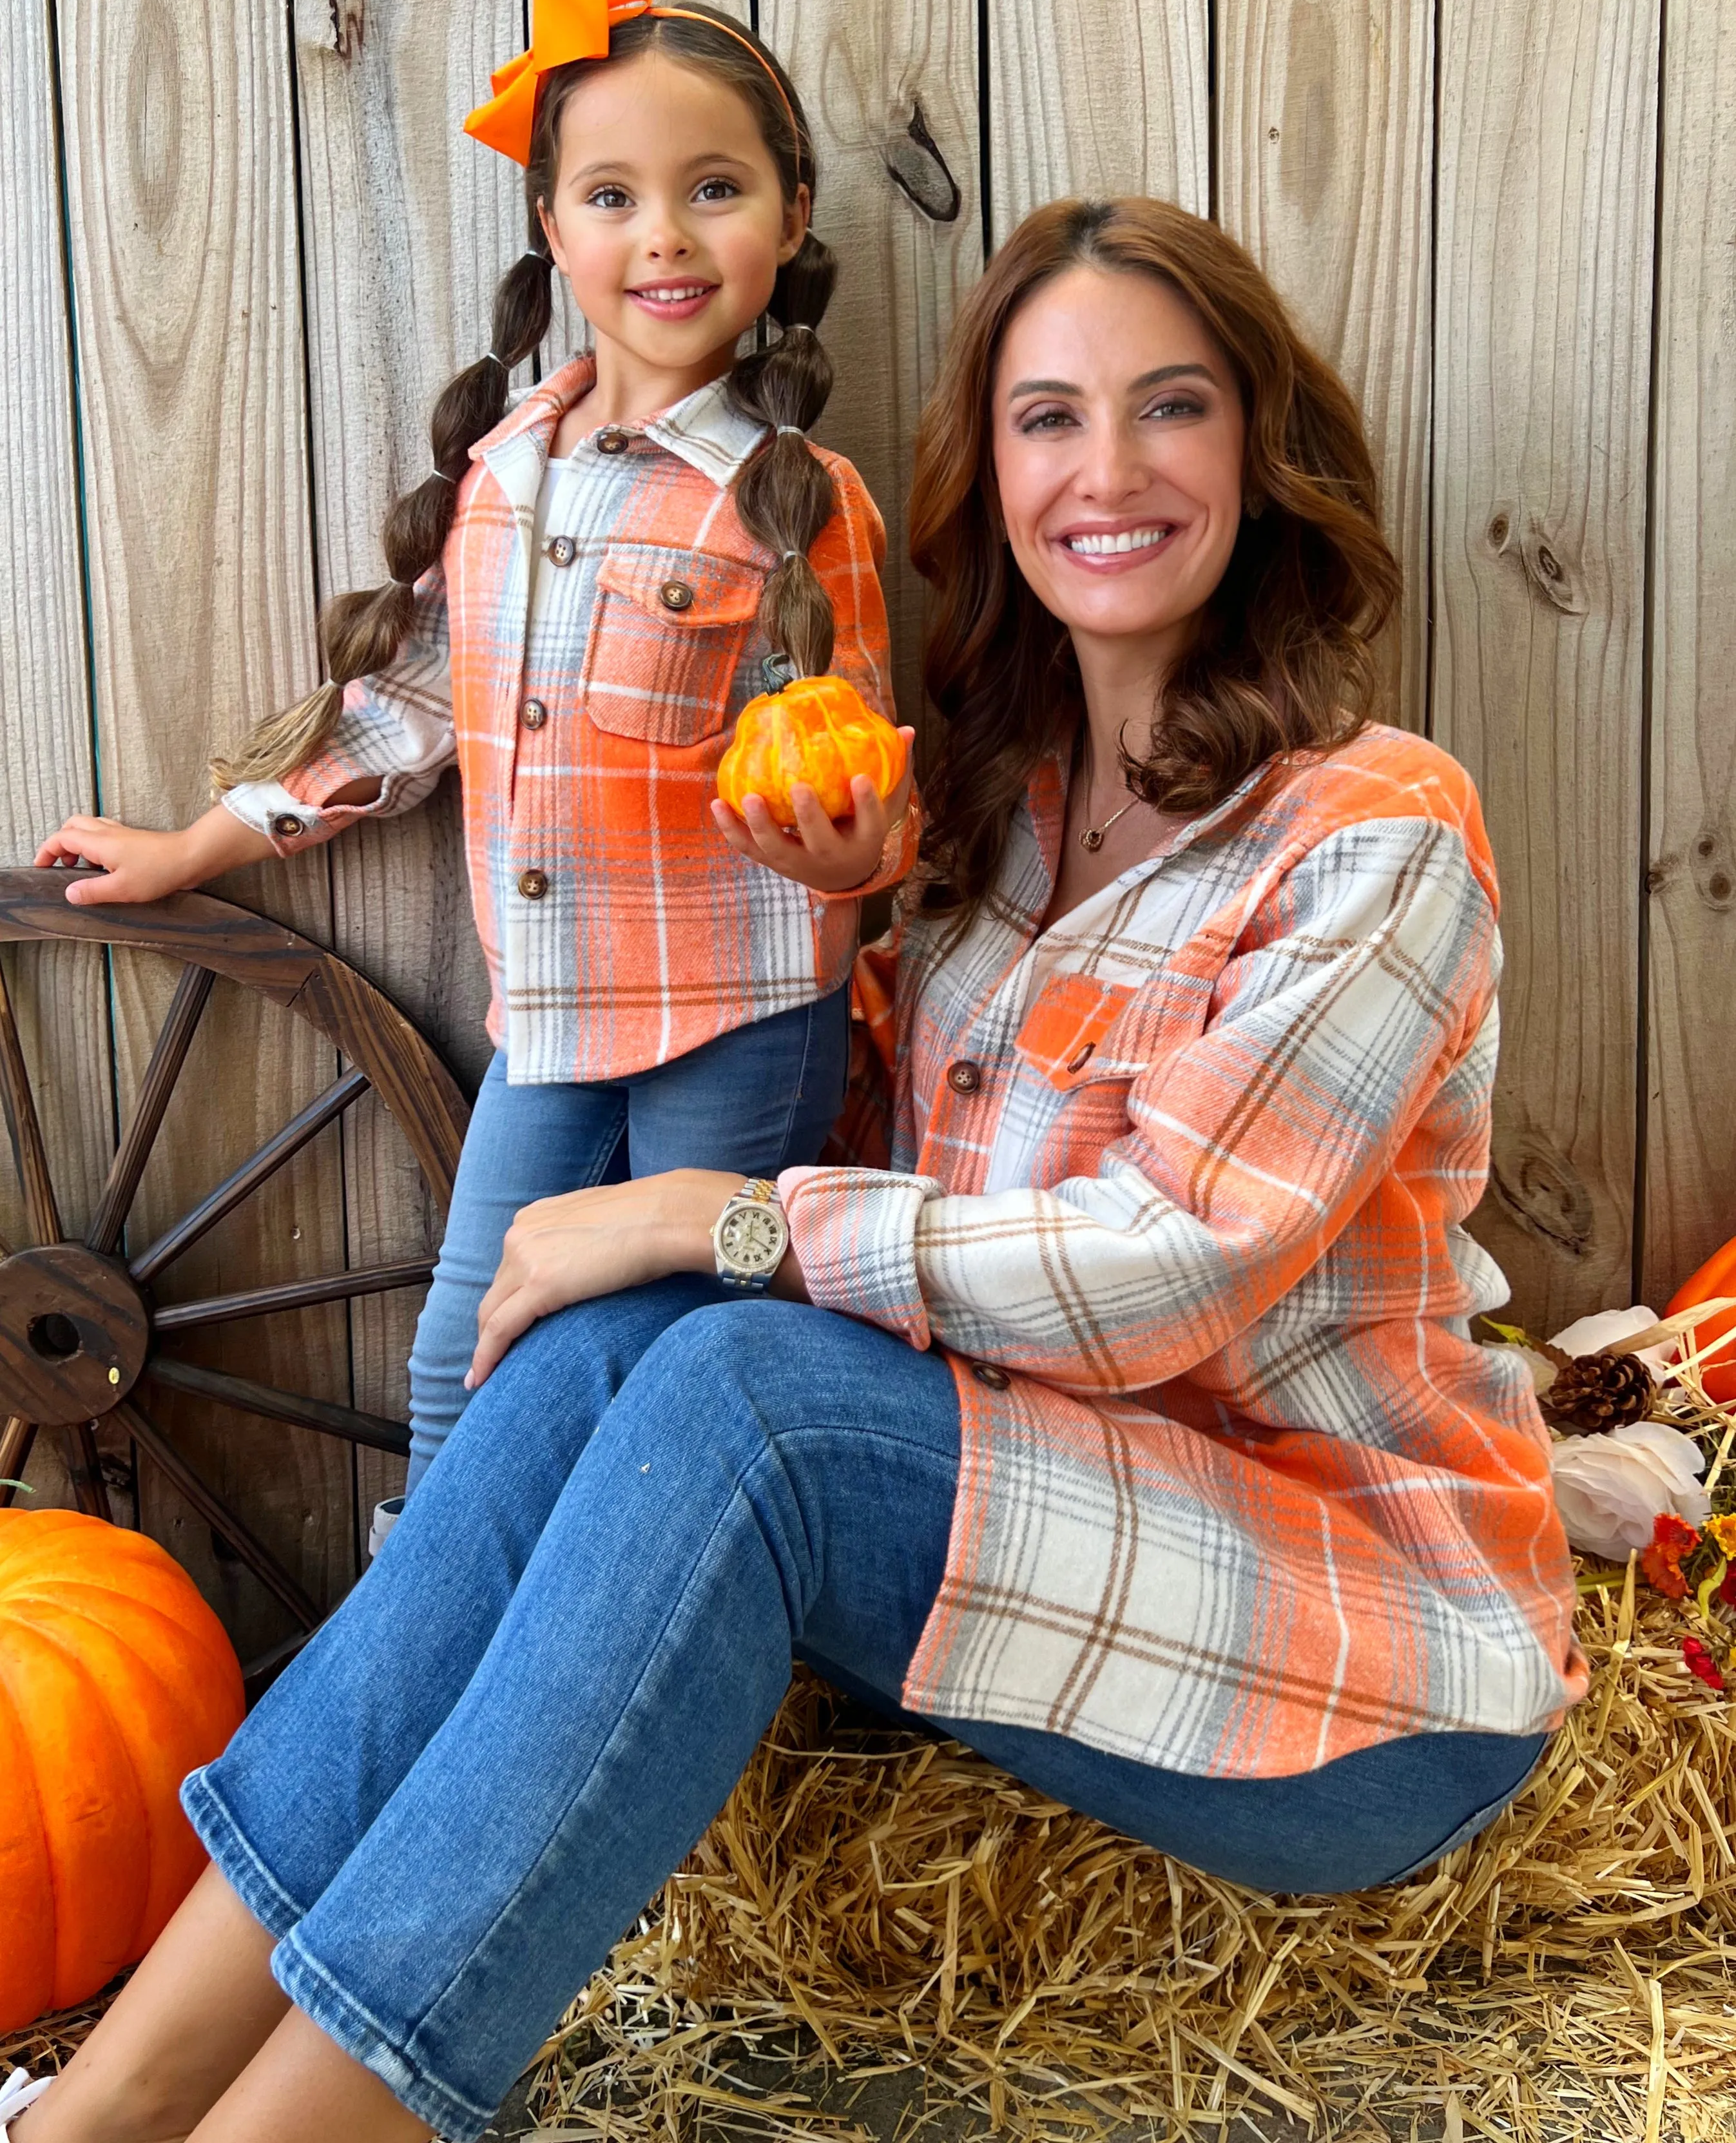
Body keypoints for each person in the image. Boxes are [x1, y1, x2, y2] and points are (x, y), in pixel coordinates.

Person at [9, 197, 1585, 2143]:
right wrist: (838, 949)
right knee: (607, 1353)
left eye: (1168, 411)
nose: (1105, 472)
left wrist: (707, 1211)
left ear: (1260, 457)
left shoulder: (1373, 830)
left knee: (737, 1378)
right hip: (1048, 1543)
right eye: (1045, 420)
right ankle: (94, 2116)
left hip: (1357, 1665)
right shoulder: (991, 823)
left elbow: (1155, 1270)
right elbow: (906, 1220)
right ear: (985, 472)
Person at [32, 0, 913, 1494]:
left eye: (715, 188)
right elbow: (407, 712)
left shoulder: (791, 502)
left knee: (676, 1351)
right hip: (553, 1019)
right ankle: (435, 1665)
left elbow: (854, 760)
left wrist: (852, 854)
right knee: (465, 1352)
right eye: (613, 193)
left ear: (791, 211)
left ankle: (650, 1678)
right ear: (555, 230)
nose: (666, 235)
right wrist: (199, 842)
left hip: (742, 1010)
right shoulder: (505, 476)